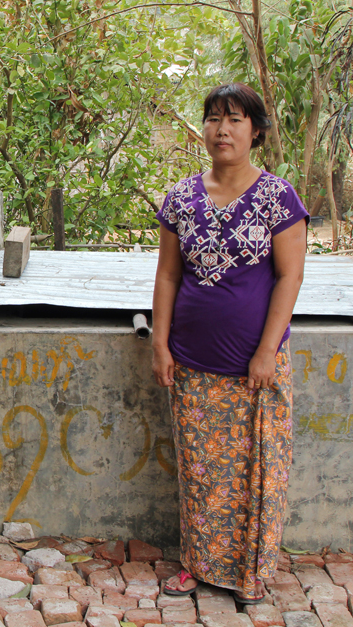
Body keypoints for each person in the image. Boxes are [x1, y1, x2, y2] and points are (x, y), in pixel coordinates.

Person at [151, 83, 309, 604]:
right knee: (201, 473)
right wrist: (160, 343)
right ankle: (197, 565)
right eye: (214, 118)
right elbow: (169, 276)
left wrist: (267, 351)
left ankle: (250, 576)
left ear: (256, 130)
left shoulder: (277, 197)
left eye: (236, 119)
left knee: (256, 473)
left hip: (255, 366)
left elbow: (289, 277)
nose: (222, 129)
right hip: (193, 362)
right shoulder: (180, 197)